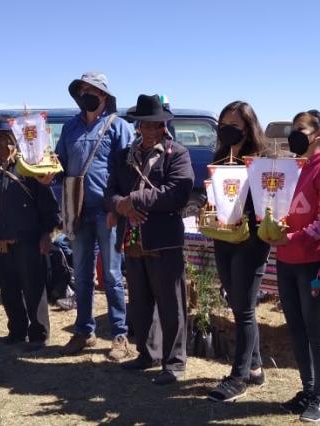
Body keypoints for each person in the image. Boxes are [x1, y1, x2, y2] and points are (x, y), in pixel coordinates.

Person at [107, 94, 194, 385]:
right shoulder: (124, 155)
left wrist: (134, 199)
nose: (148, 129)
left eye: (154, 124)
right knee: (140, 303)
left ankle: (175, 362)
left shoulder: (177, 154)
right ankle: (147, 354)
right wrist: (121, 206)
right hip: (132, 240)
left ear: (162, 125)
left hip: (164, 239)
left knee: (171, 305)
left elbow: (178, 193)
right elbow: (111, 191)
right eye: (143, 124)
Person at [47, 72, 134, 360]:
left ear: (104, 96)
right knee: (82, 274)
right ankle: (84, 331)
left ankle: (119, 334)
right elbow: (59, 163)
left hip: (107, 211)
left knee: (112, 275)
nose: (86, 94)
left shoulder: (118, 127)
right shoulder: (70, 127)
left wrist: (117, 209)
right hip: (77, 211)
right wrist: (46, 171)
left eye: (92, 90)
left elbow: (127, 171)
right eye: (82, 89)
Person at [266, 110, 320, 421]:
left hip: (312, 264)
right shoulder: (298, 167)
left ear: (319, 133)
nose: (293, 135)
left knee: (315, 331)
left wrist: (291, 237)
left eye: (300, 129)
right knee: (296, 329)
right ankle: (308, 390)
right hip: (287, 260)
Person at [0, 115, 60, 352]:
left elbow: (47, 203)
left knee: (33, 289)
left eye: (2, 137)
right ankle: (17, 331)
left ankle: (39, 335)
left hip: (28, 240)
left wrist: (47, 233)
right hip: (1, 242)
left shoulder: (29, 167)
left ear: (13, 139)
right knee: (9, 290)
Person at [206, 101, 272, 402]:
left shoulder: (262, 160)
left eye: (234, 125)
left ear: (248, 127)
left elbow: (270, 201)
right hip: (223, 237)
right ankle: (255, 367)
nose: (227, 130)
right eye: (223, 125)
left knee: (244, 308)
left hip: (252, 240)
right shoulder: (221, 157)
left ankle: (239, 377)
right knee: (236, 303)